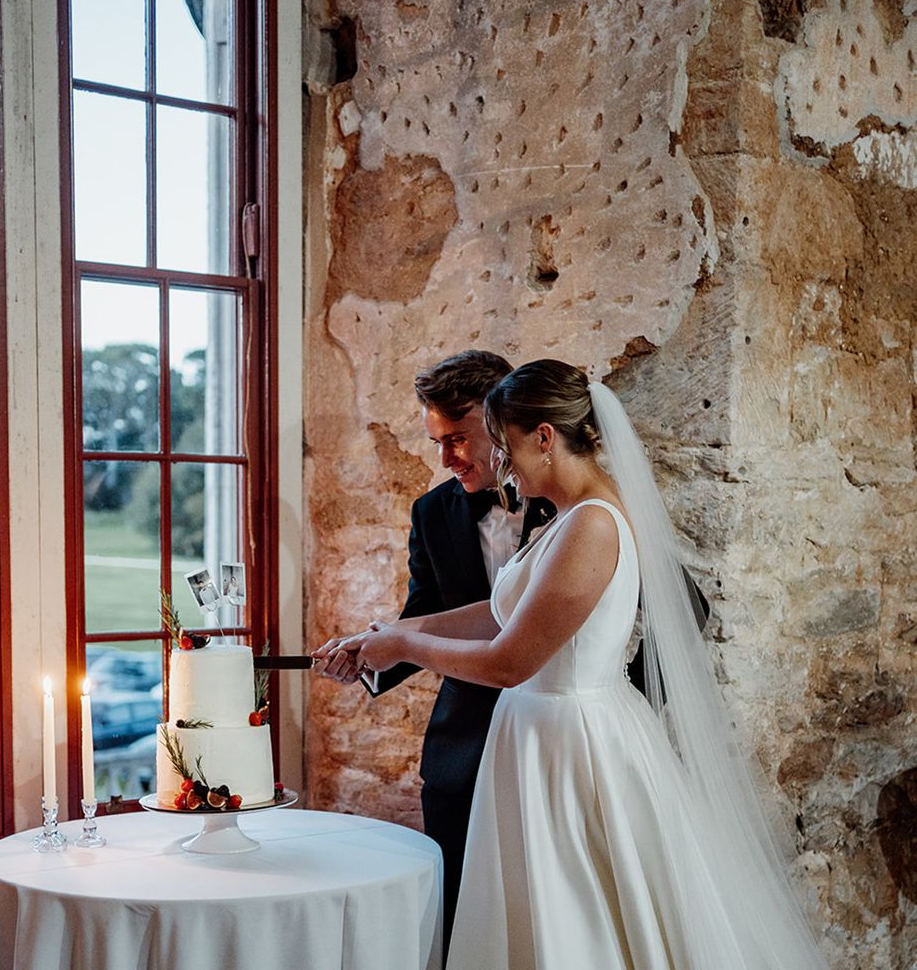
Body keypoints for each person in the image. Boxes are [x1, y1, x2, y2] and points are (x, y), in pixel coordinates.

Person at [324, 360, 828, 969]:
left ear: (542, 437)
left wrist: (407, 647)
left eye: (502, 445)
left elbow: (510, 659)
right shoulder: (567, 515)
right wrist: (388, 633)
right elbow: (499, 613)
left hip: (570, 746)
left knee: (580, 920)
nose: (501, 465)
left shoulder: (591, 523)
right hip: (528, 741)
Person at [314, 350, 556, 952]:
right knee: (459, 923)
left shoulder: (572, 503)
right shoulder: (433, 512)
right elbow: (424, 615)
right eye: (436, 442)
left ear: (504, 420)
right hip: (465, 747)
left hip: (559, 740)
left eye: (458, 439)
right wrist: (373, 655)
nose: (446, 460)